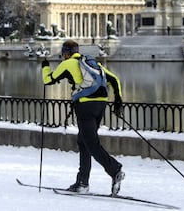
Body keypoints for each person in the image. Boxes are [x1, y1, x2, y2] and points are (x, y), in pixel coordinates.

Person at [41, 39, 125, 196]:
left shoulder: (68, 64)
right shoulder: (91, 63)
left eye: (63, 53)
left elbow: (48, 80)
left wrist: (44, 66)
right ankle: (82, 183)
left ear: (66, 53)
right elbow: (114, 80)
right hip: (100, 105)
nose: (63, 56)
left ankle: (115, 170)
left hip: (85, 107)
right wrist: (118, 102)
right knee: (84, 142)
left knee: (91, 144)